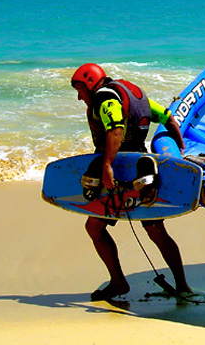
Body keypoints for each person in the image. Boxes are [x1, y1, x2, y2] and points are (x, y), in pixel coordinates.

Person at [70, 62, 193, 301]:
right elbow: (167, 117)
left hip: (118, 174)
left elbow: (115, 129)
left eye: (80, 89)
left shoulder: (105, 98)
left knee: (94, 228)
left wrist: (106, 166)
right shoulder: (134, 93)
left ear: (90, 82)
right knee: (156, 231)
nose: (79, 97)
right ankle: (182, 285)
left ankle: (118, 282)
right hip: (142, 173)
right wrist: (180, 146)